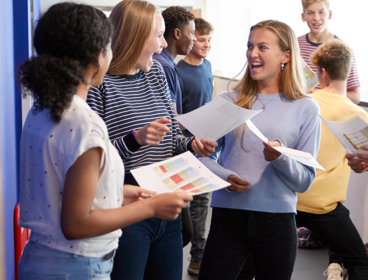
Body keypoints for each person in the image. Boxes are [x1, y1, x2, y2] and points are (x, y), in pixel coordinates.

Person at [18, 3, 192, 280]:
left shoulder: (42, 110)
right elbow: (75, 223)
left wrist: (120, 194)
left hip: (42, 259)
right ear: (99, 56)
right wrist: (149, 207)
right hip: (78, 266)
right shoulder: (84, 123)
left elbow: (65, 191)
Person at [86, 1, 217, 279]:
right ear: (134, 37)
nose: (162, 45)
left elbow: (172, 139)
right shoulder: (100, 85)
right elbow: (94, 162)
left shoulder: (156, 74)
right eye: (158, 36)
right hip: (126, 207)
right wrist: (136, 139)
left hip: (165, 202)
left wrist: (191, 145)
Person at [197, 20, 321, 280]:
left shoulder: (306, 108)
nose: (252, 54)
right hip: (227, 218)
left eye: (262, 47)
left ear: (285, 55)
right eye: (249, 46)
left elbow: (304, 181)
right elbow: (201, 155)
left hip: (277, 224)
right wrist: (224, 176)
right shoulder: (228, 100)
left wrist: (280, 159)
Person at [296, 39, 368, 280]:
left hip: (291, 198)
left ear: (322, 72)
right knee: (359, 262)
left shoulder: (304, 103)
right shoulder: (359, 115)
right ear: (346, 72)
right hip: (323, 206)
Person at [175, 17, 214, 275]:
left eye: (210, 40)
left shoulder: (208, 65)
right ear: (189, 39)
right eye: (201, 39)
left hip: (208, 145)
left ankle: (197, 258)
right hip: (186, 147)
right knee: (184, 207)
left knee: (202, 204)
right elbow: (176, 116)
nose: (206, 44)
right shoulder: (178, 71)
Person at [298, 0, 361, 104]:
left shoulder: (343, 50)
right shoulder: (294, 46)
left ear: (330, 14)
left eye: (321, 12)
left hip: (328, 115)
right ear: (303, 16)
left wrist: (319, 94)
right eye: (310, 13)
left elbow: (355, 96)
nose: (316, 18)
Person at [152, 6, 196, 115]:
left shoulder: (166, 61)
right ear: (177, 34)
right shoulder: (163, 66)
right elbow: (172, 119)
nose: (194, 38)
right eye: (191, 33)